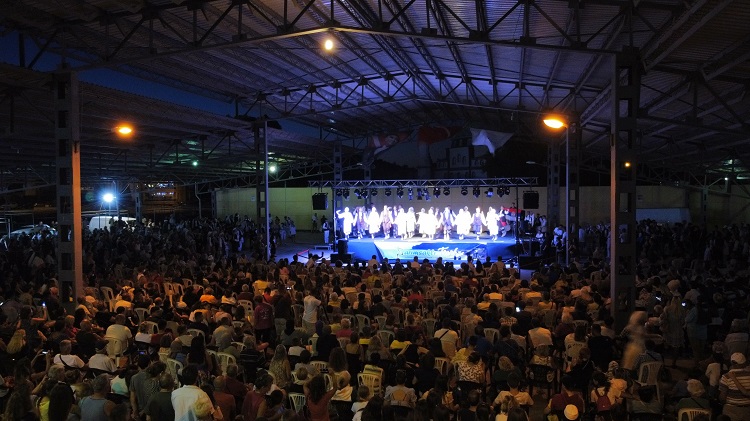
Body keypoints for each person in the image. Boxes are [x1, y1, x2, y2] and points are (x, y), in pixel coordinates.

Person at [719, 352, 750, 421]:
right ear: (745, 362)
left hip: (731, 410)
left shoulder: (726, 376)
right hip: (747, 410)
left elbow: (722, 397)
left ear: (731, 363)